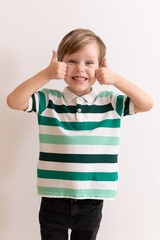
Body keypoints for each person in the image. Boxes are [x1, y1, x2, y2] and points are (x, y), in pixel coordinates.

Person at [7, 28, 153, 240]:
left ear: (101, 66)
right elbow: (14, 101)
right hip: (53, 195)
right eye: (72, 61)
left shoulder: (110, 101)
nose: (80, 69)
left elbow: (146, 104)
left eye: (89, 62)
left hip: (92, 197)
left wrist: (116, 79)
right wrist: (45, 75)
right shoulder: (49, 100)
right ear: (61, 64)